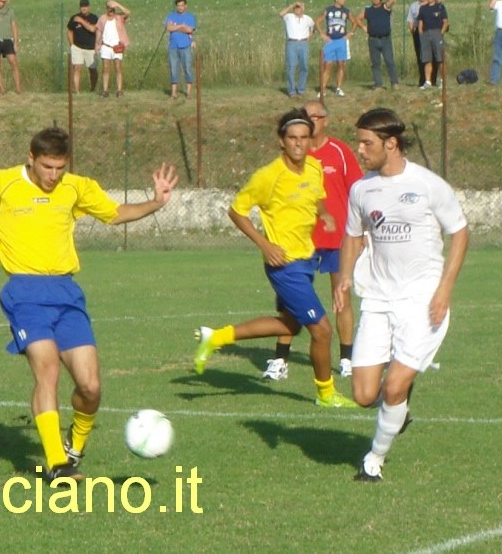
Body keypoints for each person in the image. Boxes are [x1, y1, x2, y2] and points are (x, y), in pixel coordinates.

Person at [0, 127, 178, 482]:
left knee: (90, 387)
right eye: (47, 167)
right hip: (24, 293)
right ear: (31, 157)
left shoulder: (76, 187)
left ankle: (75, 445)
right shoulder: (3, 185)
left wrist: (155, 202)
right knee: (48, 370)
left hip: (67, 293)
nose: (53, 176)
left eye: (59, 168)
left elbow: (115, 213)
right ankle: (59, 463)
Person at [333, 108, 469, 482]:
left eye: (367, 143)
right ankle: (399, 409)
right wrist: (344, 277)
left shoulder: (427, 184)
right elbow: (353, 234)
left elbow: (460, 232)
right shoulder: (362, 189)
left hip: (422, 300)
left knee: (393, 386)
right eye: (359, 142)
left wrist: (444, 288)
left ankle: (373, 459)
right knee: (363, 395)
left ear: (390, 144)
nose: (360, 150)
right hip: (377, 299)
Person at [193, 109, 357, 408]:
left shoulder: (314, 168)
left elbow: (317, 195)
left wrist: (325, 213)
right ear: (281, 140)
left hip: (306, 260)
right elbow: (236, 210)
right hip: (284, 266)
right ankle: (326, 393)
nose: (298, 144)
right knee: (321, 330)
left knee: (289, 326)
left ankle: (216, 337)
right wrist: (264, 244)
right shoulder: (268, 176)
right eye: (292, 138)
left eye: (304, 138)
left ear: (310, 140)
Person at [262, 100, 363, 381]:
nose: (311, 120)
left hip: (335, 237)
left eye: (316, 116)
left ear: (326, 120)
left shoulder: (340, 152)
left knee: (341, 296)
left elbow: (358, 191)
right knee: (289, 302)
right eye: (307, 117)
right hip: (299, 240)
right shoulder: (294, 156)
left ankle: (346, 359)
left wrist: (361, 231)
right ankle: (280, 360)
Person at [315, 0, 360, 97]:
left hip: (341, 40)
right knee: (328, 64)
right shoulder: (328, 10)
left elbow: (355, 22)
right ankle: (323, 89)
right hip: (330, 40)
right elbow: (317, 21)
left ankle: (338, 88)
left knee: (341, 64)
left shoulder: (346, 11)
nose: (345, 0)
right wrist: (322, 34)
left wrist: (351, 33)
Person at [357, 0, 399, 89]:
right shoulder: (368, 10)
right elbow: (357, 18)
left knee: (389, 61)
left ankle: (394, 82)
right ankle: (378, 84)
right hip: (373, 39)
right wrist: (363, 27)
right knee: (375, 63)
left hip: (385, 39)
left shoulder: (385, 7)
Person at [278, 1, 316, 97]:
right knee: (291, 67)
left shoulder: (308, 19)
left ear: (303, 8)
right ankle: (291, 90)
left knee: (304, 66)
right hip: (292, 43)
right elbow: (281, 14)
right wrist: (292, 5)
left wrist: (309, 36)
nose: (297, 9)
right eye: (296, 7)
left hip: (303, 43)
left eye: (299, 7)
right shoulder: (289, 17)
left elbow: (313, 27)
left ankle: (301, 89)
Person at [95, 0, 131, 98]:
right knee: (105, 68)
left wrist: (118, 4)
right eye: (109, 8)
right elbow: (99, 31)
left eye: (112, 9)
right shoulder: (102, 18)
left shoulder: (119, 17)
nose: (111, 10)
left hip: (117, 46)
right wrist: (97, 45)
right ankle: (105, 90)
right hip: (106, 46)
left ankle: (119, 90)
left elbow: (128, 12)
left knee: (118, 67)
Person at [165, 0, 196, 99]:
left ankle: (188, 92)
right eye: (178, 6)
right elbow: (169, 28)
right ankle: (174, 92)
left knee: (187, 68)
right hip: (173, 46)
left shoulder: (190, 17)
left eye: (182, 5)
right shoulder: (171, 16)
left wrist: (176, 27)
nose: (180, 7)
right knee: (173, 69)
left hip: (185, 46)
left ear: (185, 6)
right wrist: (181, 26)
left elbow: (190, 30)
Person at [417, 0, 449, 90]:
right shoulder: (422, 8)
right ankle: (428, 81)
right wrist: (421, 33)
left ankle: (442, 81)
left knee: (440, 58)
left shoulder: (440, 7)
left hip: (437, 33)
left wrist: (441, 33)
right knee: (427, 59)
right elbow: (420, 22)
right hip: (426, 34)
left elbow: (445, 21)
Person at [406, 0, 438, 88]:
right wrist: (411, 28)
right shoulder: (414, 6)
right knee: (421, 57)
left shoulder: (433, 4)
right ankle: (423, 80)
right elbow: (410, 19)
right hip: (418, 33)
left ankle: (432, 79)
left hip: (430, 31)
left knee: (433, 56)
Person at [67, 0, 98, 93]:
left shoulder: (94, 18)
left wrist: (81, 21)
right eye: (82, 6)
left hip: (90, 48)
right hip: (78, 47)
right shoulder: (74, 18)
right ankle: (77, 91)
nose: (84, 8)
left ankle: (92, 89)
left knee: (92, 70)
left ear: (89, 7)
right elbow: (69, 31)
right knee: (77, 67)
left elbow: (93, 29)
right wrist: (72, 44)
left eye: (85, 6)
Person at [487, 0, 502, 85]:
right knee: (497, 56)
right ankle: (494, 79)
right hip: (500, 31)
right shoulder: (499, 3)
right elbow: (491, 6)